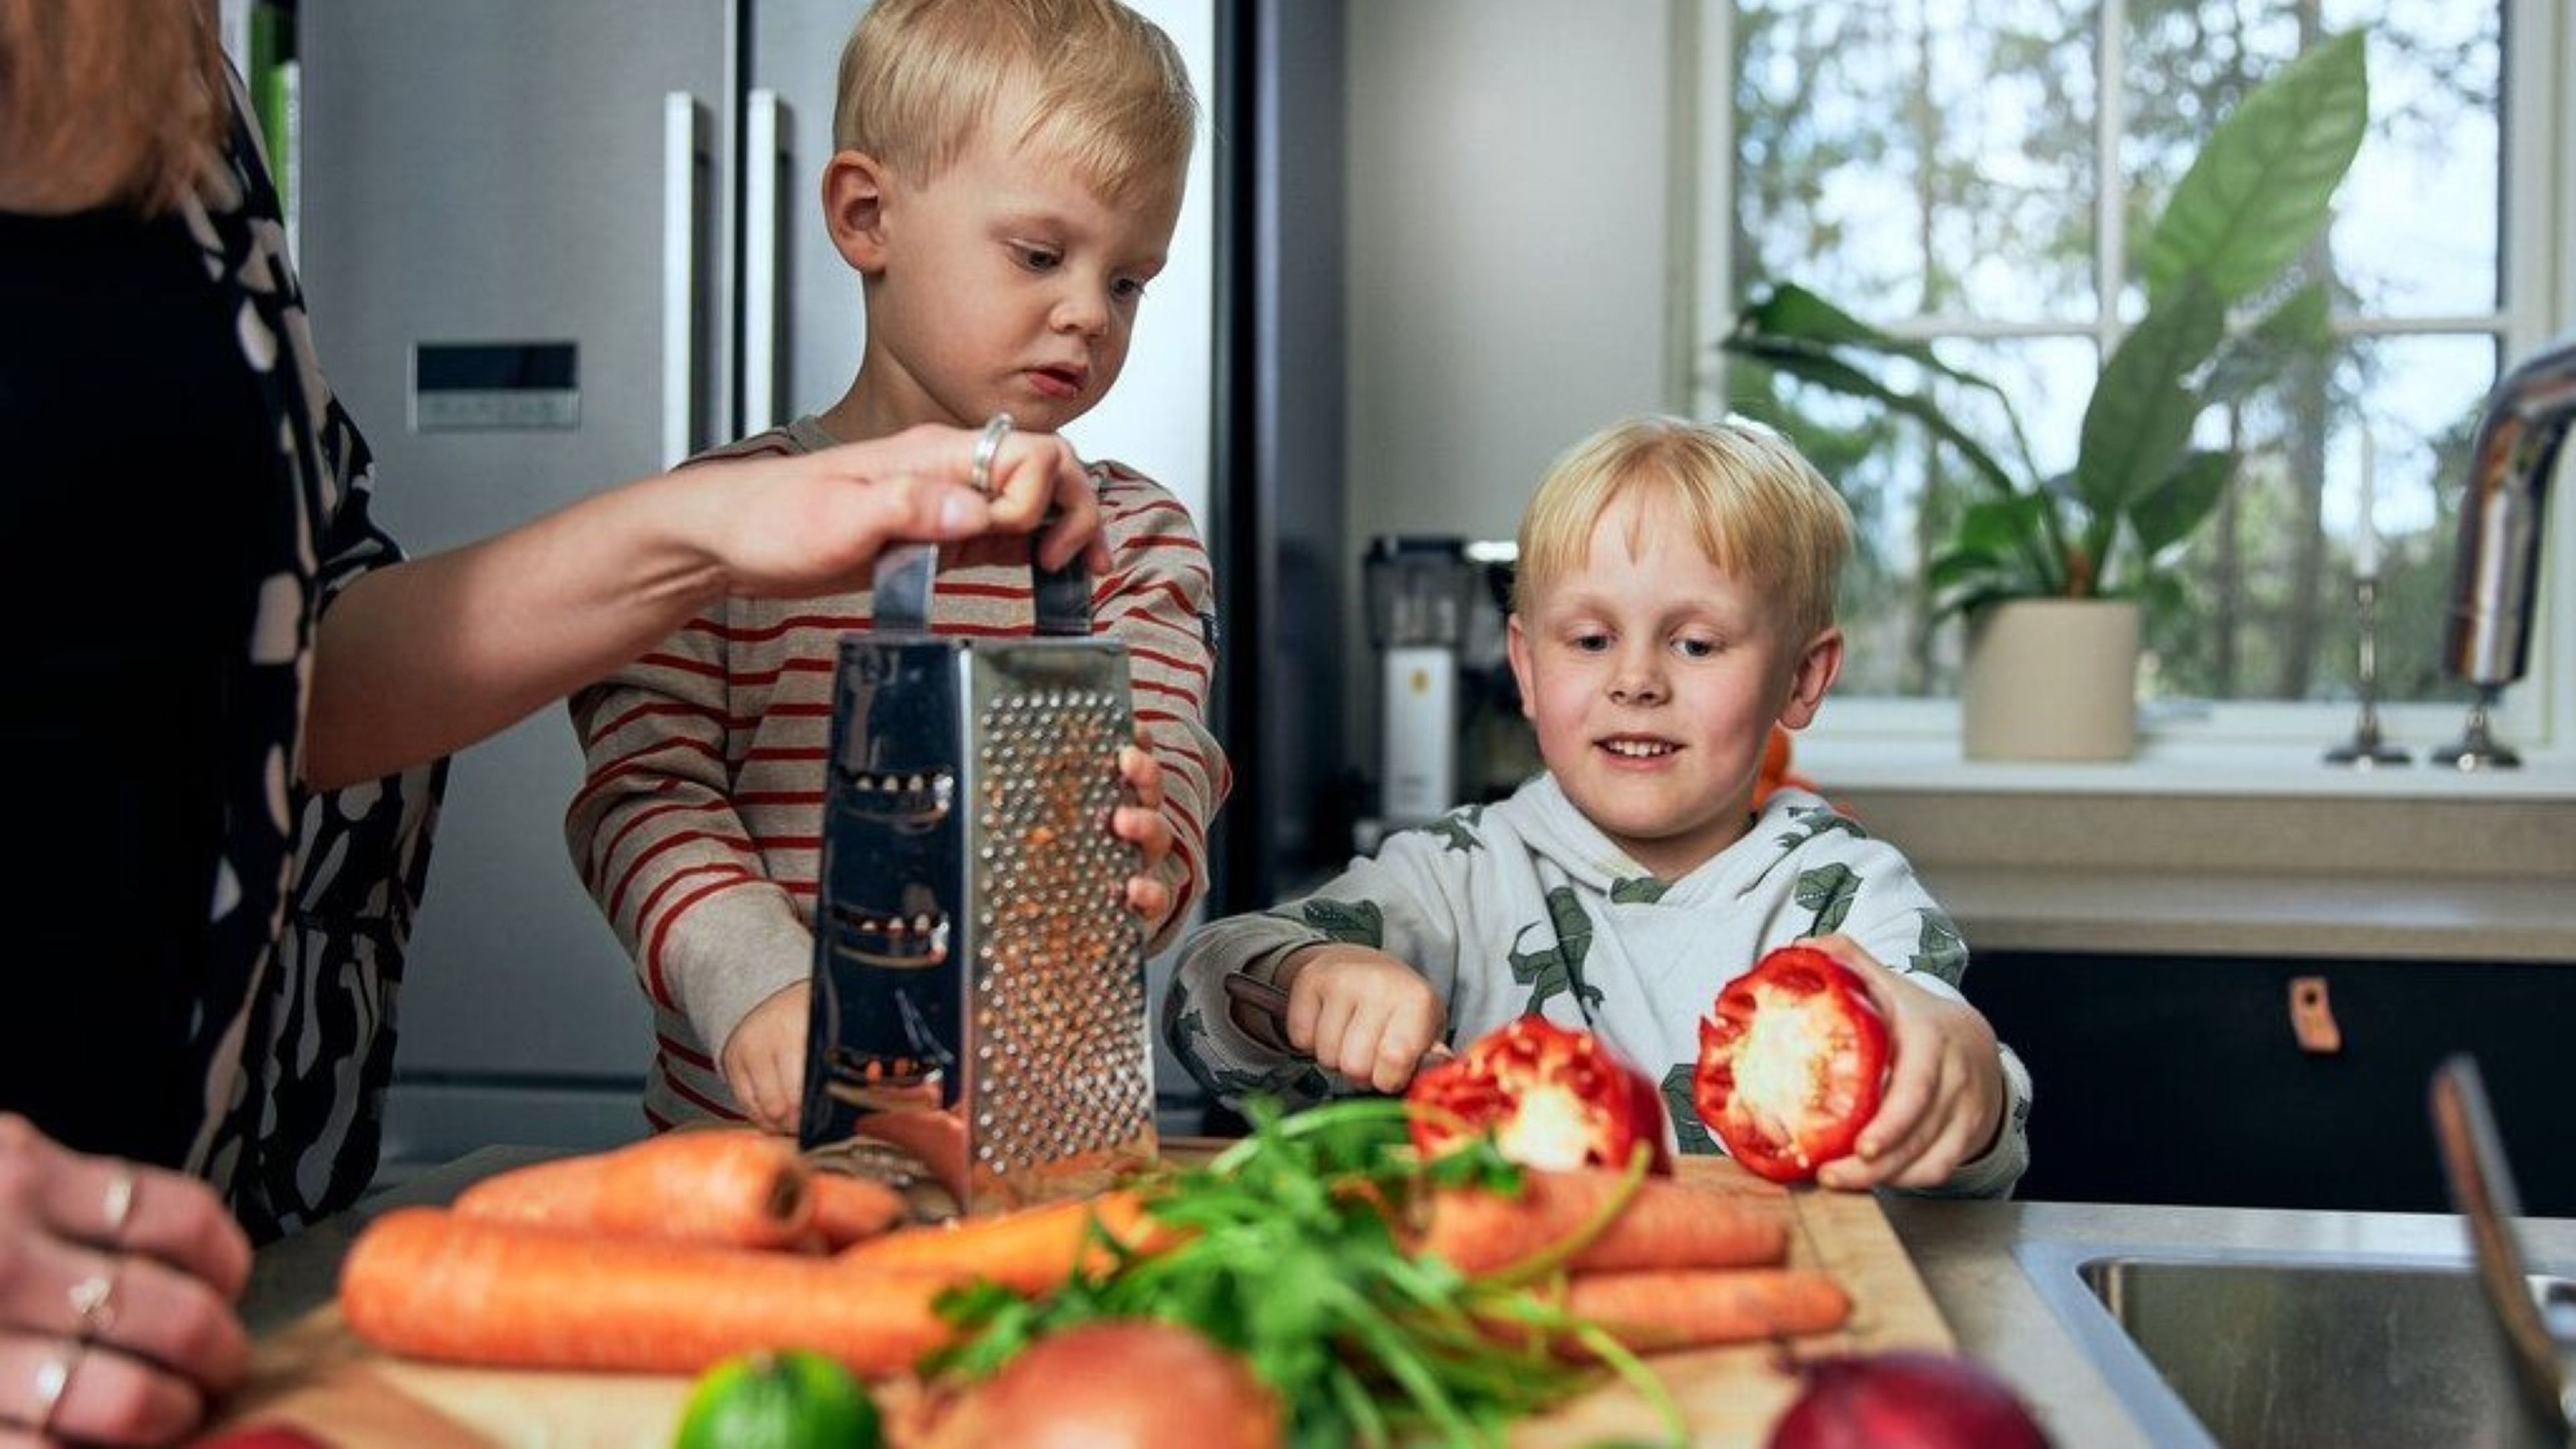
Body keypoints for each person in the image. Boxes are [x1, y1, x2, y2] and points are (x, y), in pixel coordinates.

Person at [0, 2, 1116, 1439]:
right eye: (1041, 254)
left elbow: (282, 673)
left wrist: (706, 528)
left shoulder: (174, 79)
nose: (1087, 306)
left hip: (168, 1272)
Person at [564, 0, 1230, 1136]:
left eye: (1128, 282)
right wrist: (762, 982)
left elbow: (1169, 769)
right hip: (759, 1155)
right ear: (868, 215)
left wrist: (1155, 859)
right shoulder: (716, 525)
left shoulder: (1135, 536)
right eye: (1039, 254)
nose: (1088, 314)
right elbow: (643, 794)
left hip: (1042, 1148)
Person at [1166, 415, 2032, 1197]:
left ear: (1802, 678)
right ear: (1528, 667)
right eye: (1590, 640)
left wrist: (1962, 1074)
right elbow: (1203, 992)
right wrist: (1302, 980)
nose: (1636, 682)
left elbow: (1982, 1121)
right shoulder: (1458, 875)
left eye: (1695, 643)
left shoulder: (1847, 891)